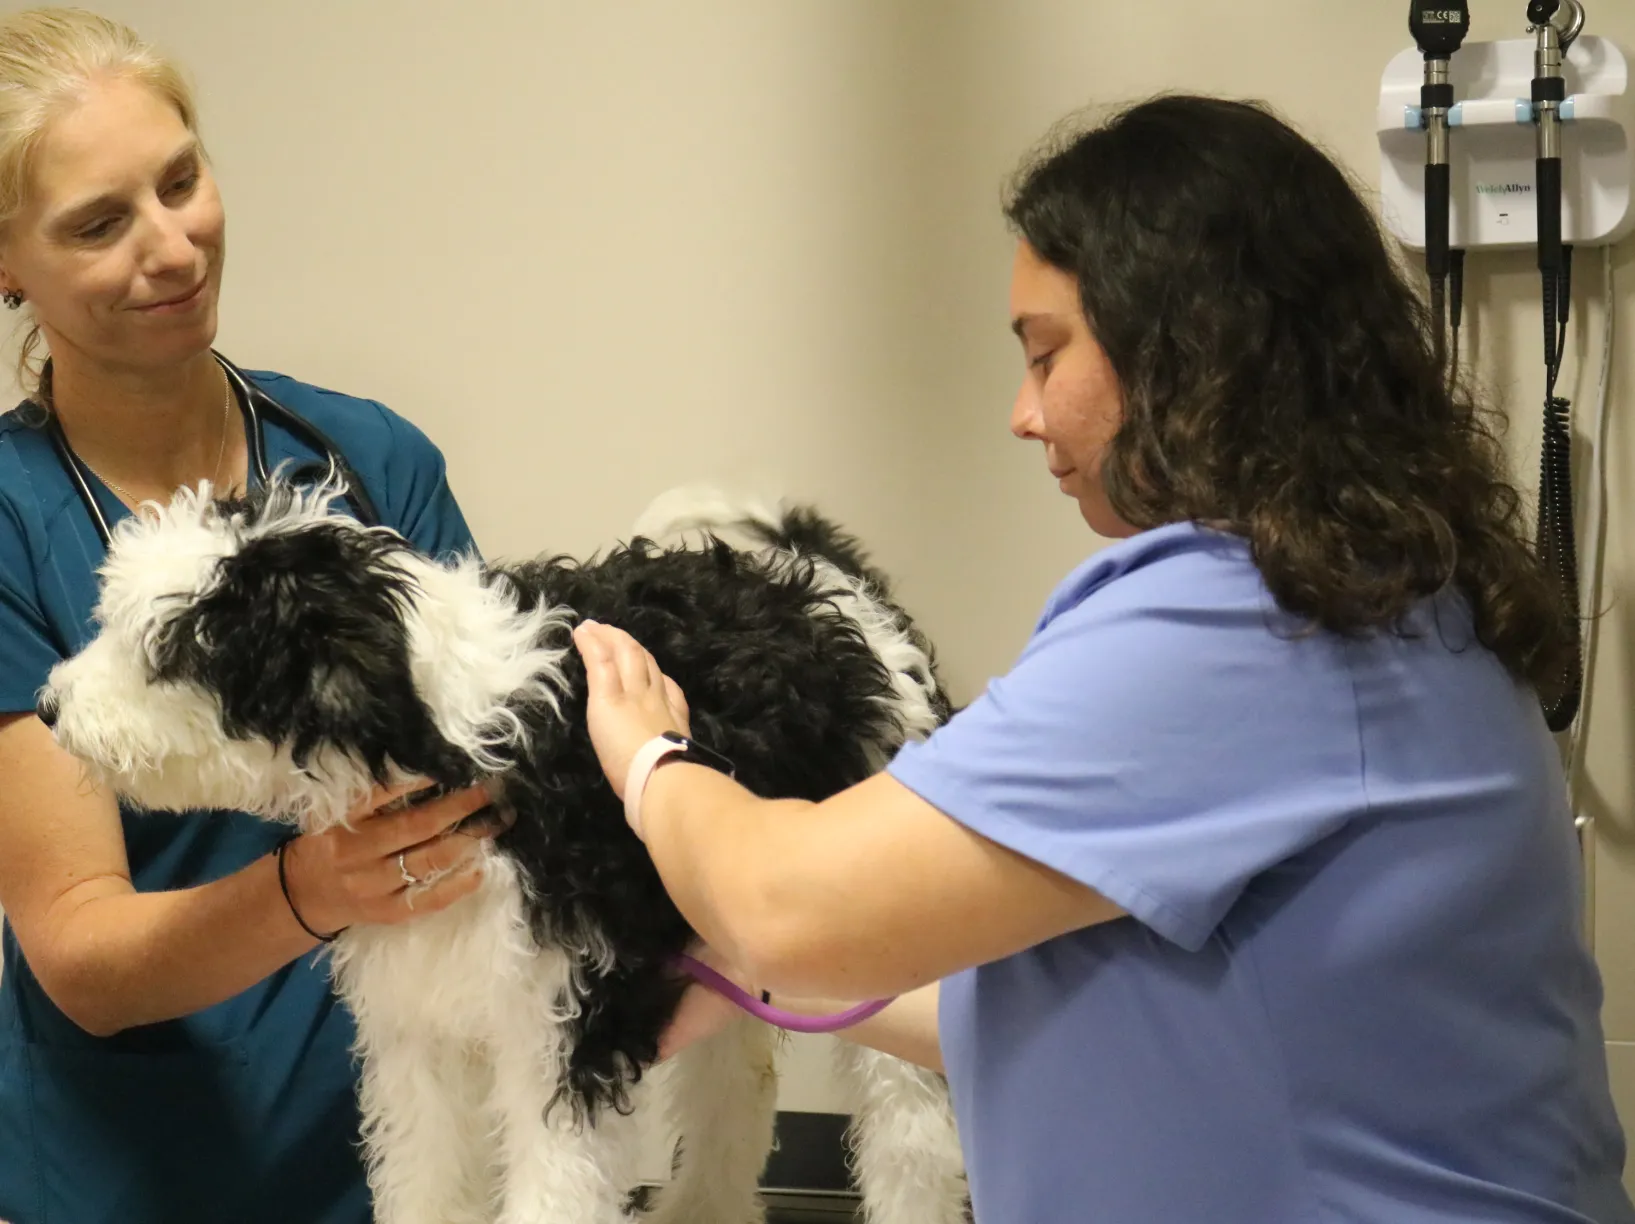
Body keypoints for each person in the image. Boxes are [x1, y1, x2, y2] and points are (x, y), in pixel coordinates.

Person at [572, 95, 1635, 1223]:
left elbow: (784, 902)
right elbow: (1084, 998)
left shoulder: (1241, 623)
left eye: (1047, 354)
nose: (1023, 415)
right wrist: (738, 980)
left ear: (1184, 343)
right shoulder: (1388, 594)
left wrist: (650, 763)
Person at [0, 10, 496, 1223]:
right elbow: (83, 953)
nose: (173, 248)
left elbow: (489, 792)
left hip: (401, 1164)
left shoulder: (372, 462)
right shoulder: (13, 524)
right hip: (137, 1180)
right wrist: (319, 886)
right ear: (8, 267)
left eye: (182, 182)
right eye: (100, 224)